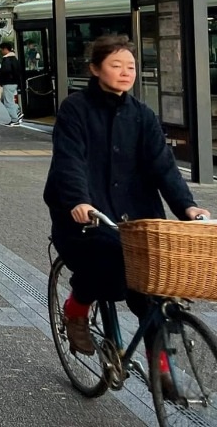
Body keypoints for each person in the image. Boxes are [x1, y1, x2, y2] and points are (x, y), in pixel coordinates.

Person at [44, 35, 209, 381]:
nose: (125, 72)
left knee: (152, 286)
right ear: (95, 69)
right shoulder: (76, 109)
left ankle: (160, 364)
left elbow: (163, 167)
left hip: (137, 216)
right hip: (84, 216)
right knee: (104, 263)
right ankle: (76, 309)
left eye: (130, 66)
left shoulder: (142, 116)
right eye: (115, 65)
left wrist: (188, 209)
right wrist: (78, 200)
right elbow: (69, 160)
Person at [0, 41, 22, 126]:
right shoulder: (14, 58)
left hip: (8, 82)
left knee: (8, 101)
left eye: (2, 50)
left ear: (6, 49)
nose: (1, 51)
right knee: (4, 98)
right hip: (13, 82)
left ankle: (15, 120)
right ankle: (17, 110)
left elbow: (6, 70)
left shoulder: (7, 59)